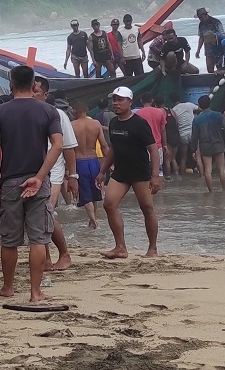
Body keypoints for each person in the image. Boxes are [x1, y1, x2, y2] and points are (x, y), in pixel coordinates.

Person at [0, 65, 63, 304]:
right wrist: (40, 177)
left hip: (10, 181)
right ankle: (35, 292)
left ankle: (8, 287)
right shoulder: (49, 111)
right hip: (37, 182)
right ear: (33, 85)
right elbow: (57, 146)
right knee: (38, 239)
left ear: (10, 85)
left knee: (9, 239)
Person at [97, 87, 162, 259]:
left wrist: (155, 176)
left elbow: (153, 150)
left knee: (147, 208)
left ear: (130, 102)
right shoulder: (114, 123)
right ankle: (120, 247)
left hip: (140, 172)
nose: (116, 103)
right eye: (114, 100)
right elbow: (113, 149)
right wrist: (102, 171)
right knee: (109, 204)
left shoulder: (139, 123)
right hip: (121, 172)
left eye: (120, 100)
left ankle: (152, 249)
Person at [33, 77, 76, 272]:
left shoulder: (57, 114)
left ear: (45, 94)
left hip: (54, 172)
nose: (33, 94)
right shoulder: (25, 113)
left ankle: (64, 253)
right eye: (30, 90)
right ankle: (47, 258)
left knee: (46, 213)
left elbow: (68, 148)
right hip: (31, 170)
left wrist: (73, 176)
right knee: (37, 218)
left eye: (37, 91)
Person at [69, 100, 106, 229]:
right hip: (94, 161)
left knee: (85, 194)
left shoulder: (72, 125)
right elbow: (104, 145)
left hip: (79, 162)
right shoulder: (96, 124)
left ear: (75, 111)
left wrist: (68, 170)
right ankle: (92, 222)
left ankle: (94, 221)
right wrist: (108, 163)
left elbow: (68, 148)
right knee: (94, 192)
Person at [190, 96, 225, 192]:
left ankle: (211, 192)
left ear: (199, 105)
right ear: (210, 104)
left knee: (208, 170)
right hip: (218, 144)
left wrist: (193, 149)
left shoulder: (197, 119)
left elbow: (194, 137)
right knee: (222, 169)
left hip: (205, 146)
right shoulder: (218, 115)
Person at [134, 93, 168, 178]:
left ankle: (146, 190)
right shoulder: (159, 112)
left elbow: (136, 132)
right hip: (157, 145)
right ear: (152, 100)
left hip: (143, 146)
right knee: (158, 170)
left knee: (144, 170)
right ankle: (160, 189)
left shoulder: (138, 114)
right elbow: (163, 130)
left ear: (141, 101)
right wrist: (165, 144)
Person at [194, 7, 225, 73]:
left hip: (217, 47)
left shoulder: (216, 22)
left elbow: (222, 34)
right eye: (199, 17)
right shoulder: (201, 24)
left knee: (219, 68)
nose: (200, 19)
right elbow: (201, 37)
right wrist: (198, 50)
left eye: (201, 17)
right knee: (209, 69)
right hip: (208, 49)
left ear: (205, 15)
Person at [170, 97, 197, 174]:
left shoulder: (173, 110)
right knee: (197, 155)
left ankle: (182, 174)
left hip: (182, 134)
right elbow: (199, 108)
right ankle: (202, 174)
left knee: (183, 157)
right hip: (192, 133)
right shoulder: (189, 105)